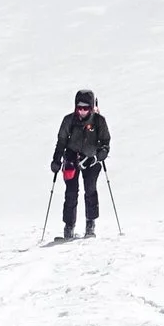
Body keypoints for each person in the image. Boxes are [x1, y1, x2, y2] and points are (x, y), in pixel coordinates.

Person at [49, 88, 111, 239]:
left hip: (92, 161)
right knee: (71, 192)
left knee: (90, 190)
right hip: (71, 158)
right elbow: (61, 141)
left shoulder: (99, 121)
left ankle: (90, 225)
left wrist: (98, 156)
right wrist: (56, 160)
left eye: (86, 108)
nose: (82, 111)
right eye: (79, 107)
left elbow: (105, 143)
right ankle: (69, 227)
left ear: (91, 107)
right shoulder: (68, 120)